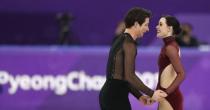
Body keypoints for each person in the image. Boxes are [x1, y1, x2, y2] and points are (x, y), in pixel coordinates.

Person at [99, 7, 167, 110]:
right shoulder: (129, 44)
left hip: (111, 94)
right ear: (136, 24)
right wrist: (152, 93)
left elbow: (123, 78)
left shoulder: (122, 40)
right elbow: (129, 75)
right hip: (115, 97)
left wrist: (139, 96)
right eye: (146, 25)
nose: (147, 29)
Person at [155, 15, 185, 110]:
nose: (157, 27)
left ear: (169, 28)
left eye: (160, 24)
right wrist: (156, 94)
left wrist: (167, 92)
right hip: (167, 95)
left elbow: (181, 74)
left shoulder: (170, 48)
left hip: (170, 97)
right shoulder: (170, 46)